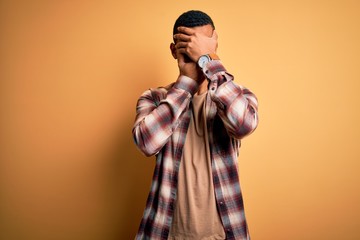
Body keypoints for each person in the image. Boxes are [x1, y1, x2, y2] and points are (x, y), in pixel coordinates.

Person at [132, 10, 259, 240]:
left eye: (203, 51)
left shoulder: (236, 96)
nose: (200, 63)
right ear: (174, 51)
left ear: (214, 47)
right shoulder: (155, 99)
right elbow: (146, 143)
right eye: (190, 52)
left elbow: (245, 124)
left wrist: (210, 61)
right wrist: (186, 84)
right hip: (165, 234)